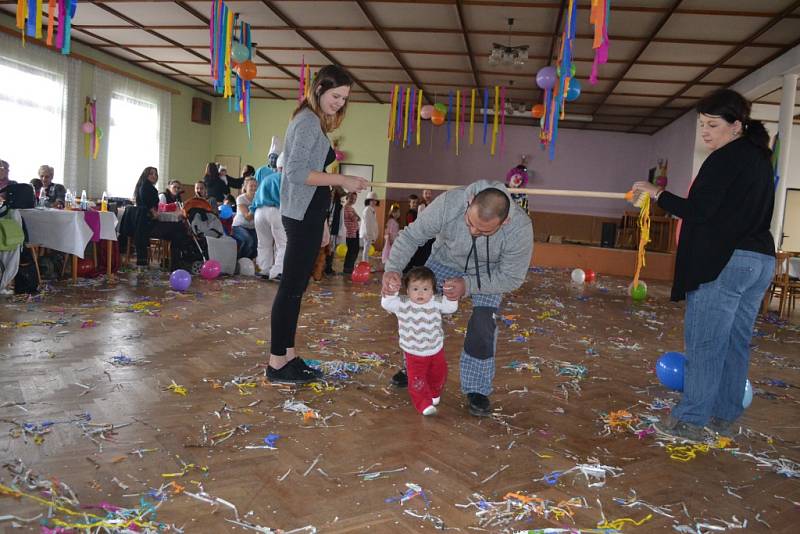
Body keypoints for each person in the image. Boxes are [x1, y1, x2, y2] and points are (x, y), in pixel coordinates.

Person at [632, 89, 776, 442]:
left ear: (736, 126)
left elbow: (699, 212)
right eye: (702, 125)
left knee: (706, 344)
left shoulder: (726, 157)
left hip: (725, 262)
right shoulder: (759, 158)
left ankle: (691, 419)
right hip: (759, 261)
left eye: (713, 124)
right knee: (734, 343)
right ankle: (725, 415)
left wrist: (656, 192)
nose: (706, 132)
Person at [383, 181, 533, 417]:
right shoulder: (450, 202)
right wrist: (393, 268)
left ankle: (477, 389)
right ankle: (414, 369)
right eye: (470, 223)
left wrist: (469, 285)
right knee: (417, 309)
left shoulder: (520, 228)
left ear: (505, 222)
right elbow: (412, 236)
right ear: (469, 203)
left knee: (482, 326)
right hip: (444, 262)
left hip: (488, 275)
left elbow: (512, 277)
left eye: (484, 231)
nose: (474, 231)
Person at [267, 64, 368, 384]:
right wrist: (343, 178)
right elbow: (296, 173)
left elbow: (308, 176)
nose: (339, 103)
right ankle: (276, 363)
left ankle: (288, 356)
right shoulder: (307, 121)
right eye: (336, 95)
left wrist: (323, 215)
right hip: (300, 214)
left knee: (297, 289)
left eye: (344, 98)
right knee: (290, 289)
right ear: (320, 88)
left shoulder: (311, 121)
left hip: (308, 212)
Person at [381, 266, 458, 415]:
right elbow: (387, 304)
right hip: (413, 352)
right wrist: (391, 291)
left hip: (436, 349)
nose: (420, 293)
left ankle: (435, 393)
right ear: (407, 290)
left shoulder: (436, 302)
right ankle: (423, 404)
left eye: (425, 289)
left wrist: (450, 295)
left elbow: (450, 308)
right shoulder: (402, 303)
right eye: (415, 289)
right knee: (417, 379)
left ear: (433, 290)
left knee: (439, 374)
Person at [253, 153, 287, 281]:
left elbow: (255, 199)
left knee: (263, 243)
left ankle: (264, 270)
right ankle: (278, 272)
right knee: (282, 244)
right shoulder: (287, 180)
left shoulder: (267, 178)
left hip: (259, 212)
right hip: (276, 212)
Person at [232, 178, 258, 259]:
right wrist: (256, 206)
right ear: (246, 187)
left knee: (257, 244)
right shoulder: (241, 198)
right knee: (248, 240)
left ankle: (250, 262)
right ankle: (240, 260)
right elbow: (248, 217)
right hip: (239, 226)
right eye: (251, 186)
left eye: (255, 186)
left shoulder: (259, 198)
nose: (253, 188)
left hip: (253, 227)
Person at [324, 186, 346, 275]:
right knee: (321, 249)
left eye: (334, 192)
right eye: (332, 191)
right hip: (324, 229)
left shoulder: (339, 206)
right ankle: (318, 268)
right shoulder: (325, 202)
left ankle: (328, 268)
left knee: (331, 249)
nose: (332, 193)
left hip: (332, 230)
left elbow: (340, 220)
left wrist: (339, 232)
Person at [342, 191, 360, 274]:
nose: (353, 200)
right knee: (352, 251)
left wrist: (356, 217)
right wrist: (356, 217)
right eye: (352, 198)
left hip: (354, 232)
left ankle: (349, 267)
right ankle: (348, 268)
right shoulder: (347, 208)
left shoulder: (351, 208)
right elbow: (355, 219)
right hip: (351, 233)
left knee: (353, 251)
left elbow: (358, 218)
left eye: (355, 199)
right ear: (347, 198)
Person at [360, 191, 379, 262]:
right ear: (368, 201)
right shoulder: (368, 210)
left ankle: (365, 264)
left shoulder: (371, 209)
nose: (374, 202)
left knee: (366, 249)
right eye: (372, 200)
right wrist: (370, 235)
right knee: (366, 250)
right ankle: (365, 264)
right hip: (367, 233)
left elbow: (372, 223)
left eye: (375, 200)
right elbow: (367, 224)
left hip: (369, 233)